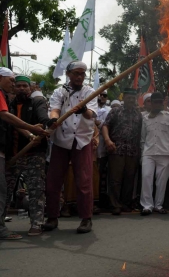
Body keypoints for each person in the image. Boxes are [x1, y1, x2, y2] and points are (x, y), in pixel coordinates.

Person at [0, 67, 47, 240]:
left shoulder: (22, 100)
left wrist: (30, 135)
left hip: (1, 151)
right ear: (0, 78)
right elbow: (6, 116)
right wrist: (31, 128)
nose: (15, 85)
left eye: (21, 84)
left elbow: (13, 124)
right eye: (13, 81)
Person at [43, 61, 98, 234]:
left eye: (82, 74)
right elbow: (54, 110)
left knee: (83, 181)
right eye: (76, 73)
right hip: (61, 140)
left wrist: (83, 111)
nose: (80, 77)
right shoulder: (59, 91)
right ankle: (52, 217)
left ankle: (86, 219)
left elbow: (92, 114)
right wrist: (53, 119)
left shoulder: (89, 92)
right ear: (68, 74)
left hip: (82, 140)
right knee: (53, 181)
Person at [4, 75, 52, 236]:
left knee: (36, 189)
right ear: (14, 88)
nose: (22, 88)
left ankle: (36, 223)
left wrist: (46, 125)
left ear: (30, 89)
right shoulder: (8, 105)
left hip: (34, 153)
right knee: (5, 189)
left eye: (25, 86)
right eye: (19, 86)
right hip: (12, 155)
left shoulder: (37, 102)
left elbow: (43, 118)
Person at [101, 88, 143, 215]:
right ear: (123, 98)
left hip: (132, 151)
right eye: (129, 97)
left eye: (133, 98)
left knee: (129, 178)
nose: (131, 100)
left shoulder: (138, 114)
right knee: (115, 178)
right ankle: (115, 204)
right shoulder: (115, 111)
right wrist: (107, 140)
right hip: (116, 149)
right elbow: (105, 125)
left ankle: (125, 203)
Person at [140, 92, 169, 215]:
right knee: (146, 177)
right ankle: (147, 206)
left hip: (164, 152)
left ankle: (158, 205)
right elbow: (143, 138)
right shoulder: (145, 118)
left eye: (159, 101)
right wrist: (142, 154)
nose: (157, 104)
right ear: (151, 103)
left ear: (163, 102)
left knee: (162, 181)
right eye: (155, 101)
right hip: (149, 152)